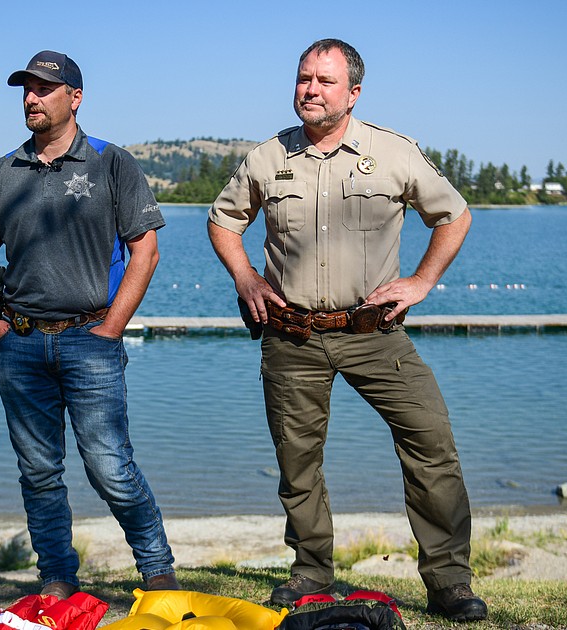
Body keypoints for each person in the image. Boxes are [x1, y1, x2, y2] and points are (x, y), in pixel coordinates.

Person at [207, 39, 487, 622]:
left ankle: (449, 582)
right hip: (292, 337)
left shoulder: (394, 153)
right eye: (304, 78)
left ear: (353, 92)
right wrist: (247, 280)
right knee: (297, 460)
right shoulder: (267, 159)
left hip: (375, 332)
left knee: (431, 442)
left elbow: (454, 215)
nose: (310, 89)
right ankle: (311, 573)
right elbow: (223, 219)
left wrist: (421, 281)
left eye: (325, 81)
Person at [0, 50, 179, 598]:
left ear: (74, 98)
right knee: (38, 473)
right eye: (26, 90)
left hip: (90, 342)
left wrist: (111, 328)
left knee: (110, 469)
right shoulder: (2, 173)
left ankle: (157, 571)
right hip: (22, 343)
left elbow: (145, 250)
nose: (31, 98)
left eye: (44, 89)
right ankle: (56, 578)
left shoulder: (111, 163)